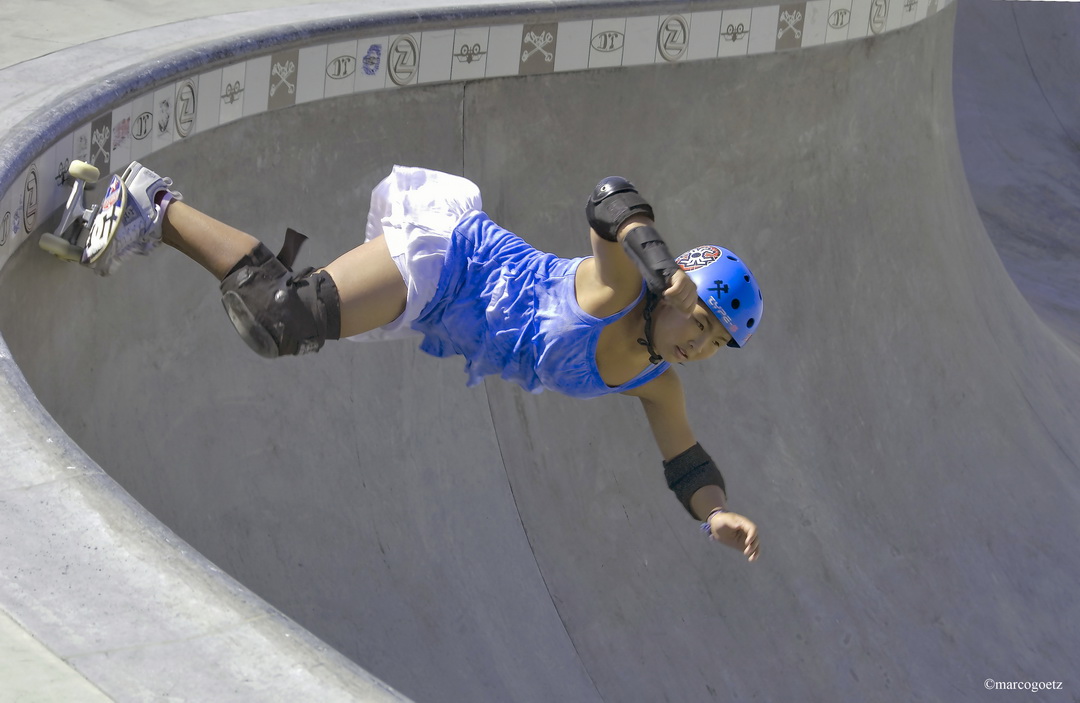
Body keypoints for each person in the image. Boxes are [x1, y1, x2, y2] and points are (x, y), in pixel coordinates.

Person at [82, 161, 763, 561]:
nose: (695, 345)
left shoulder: (657, 382)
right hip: (450, 258)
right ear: (672, 290)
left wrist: (717, 513)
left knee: (280, 323)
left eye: (712, 343)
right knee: (284, 316)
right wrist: (655, 259)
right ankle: (154, 203)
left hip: (437, 314)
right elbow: (610, 198)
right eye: (697, 321)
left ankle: (154, 207)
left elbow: (687, 461)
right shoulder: (616, 289)